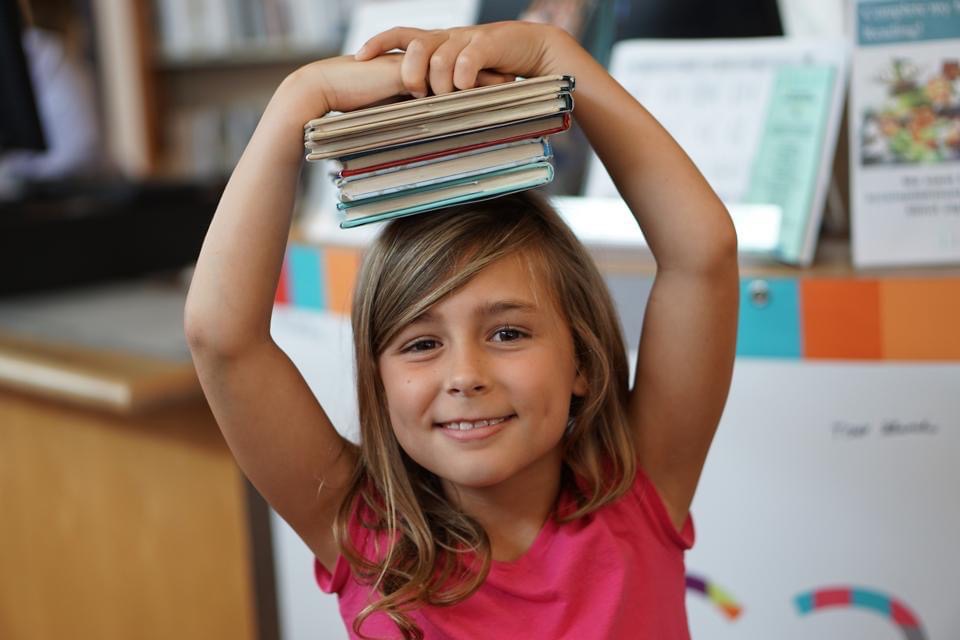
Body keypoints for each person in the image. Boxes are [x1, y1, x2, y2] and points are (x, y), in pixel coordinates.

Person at [184, 21, 739, 640]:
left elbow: (704, 254)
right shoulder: (368, 536)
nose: (466, 376)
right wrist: (300, 97)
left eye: (507, 334)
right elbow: (221, 338)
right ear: (379, 380)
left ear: (581, 358)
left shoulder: (639, 494)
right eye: (421, 344)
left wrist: (555, 56)